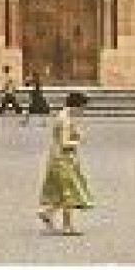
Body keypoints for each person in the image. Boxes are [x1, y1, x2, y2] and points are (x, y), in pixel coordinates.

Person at [38, 91, 93, 235]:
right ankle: (67, 226)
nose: (82, 111)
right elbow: (64, 143)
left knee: (62, 190)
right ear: (76, 106)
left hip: (56, 157)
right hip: (64, 159)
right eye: (82, 108)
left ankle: (47, 212)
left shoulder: (63, 116)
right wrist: (78, 141)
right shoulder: (66, 120)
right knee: (69, 191)